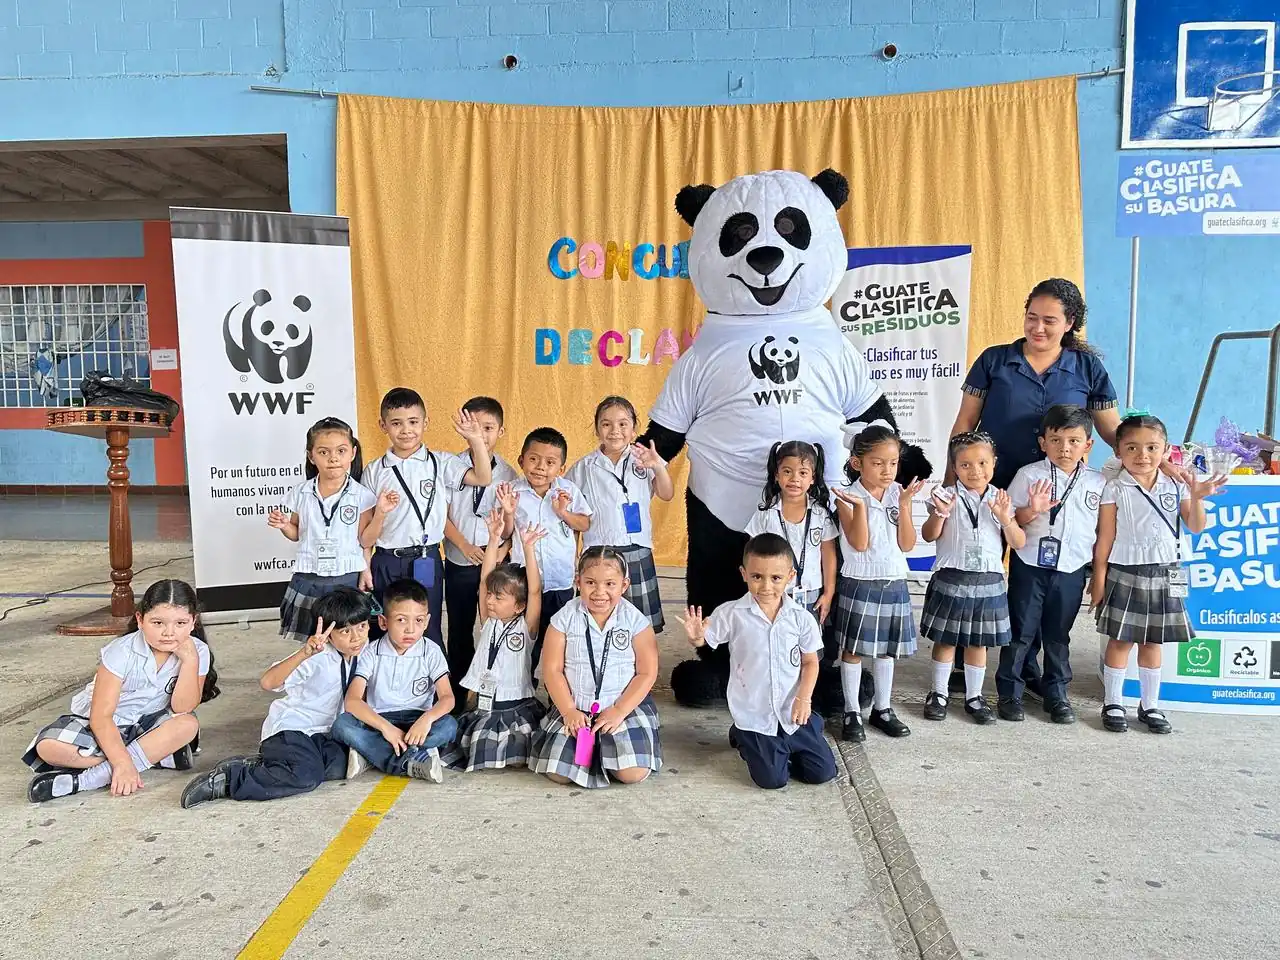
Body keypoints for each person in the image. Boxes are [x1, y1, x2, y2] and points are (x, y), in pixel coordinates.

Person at [947, 278, 1119, 697]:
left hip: (1055, 493)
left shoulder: (1087, 368)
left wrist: (1152, 459)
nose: (1037, 328)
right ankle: (957, 657)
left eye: (1049, 321)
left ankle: (1024, 665)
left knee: (1036, 576)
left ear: (1069, 323)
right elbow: (965, 422)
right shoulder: (994, 360)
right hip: (993, 482)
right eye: (1031, 318)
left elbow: (1111, 430)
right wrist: (952, 481)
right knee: (974, 568)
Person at [1092, 413, 1226, 735]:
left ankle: (1149, 704)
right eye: (1133, 448)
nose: (1143, 456)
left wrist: (1196, 497)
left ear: (1165, 449)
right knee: (1120, 640)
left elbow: (1194, 526)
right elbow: (1106, 536)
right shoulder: (1114, 487)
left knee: (1154, 642)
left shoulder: (1177, 485)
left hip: (1167, 572)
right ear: (1119, 450)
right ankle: (1113, 702)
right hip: (1126, 571)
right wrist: (1099, 576)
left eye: (1152, 447)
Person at [25, 579, 216, 803]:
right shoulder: (121, 652)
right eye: (158, 623)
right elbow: (101, 717)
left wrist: (190, 661)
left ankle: (86, 781)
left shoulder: (198, 651)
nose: (169, 633)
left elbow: (183, 707)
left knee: (188, 724)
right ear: (140, 619)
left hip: (149, 724)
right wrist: (122, 762)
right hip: (102, 724)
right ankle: (152, 757)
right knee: (47, 747)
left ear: (193, 622)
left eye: (181, 623)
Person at [180, 588, 371, 808]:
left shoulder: (364, 651)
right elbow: (268, 682)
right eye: (345, 631)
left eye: (362, 627)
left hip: (324, 735)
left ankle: (267, 764)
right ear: (328, 633)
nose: (356, 637)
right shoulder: (316, 656)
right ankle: (230, 779)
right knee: (307, 777)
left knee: (342, 767)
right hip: (292, 730)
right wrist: (304, 654)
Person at [678, 533, 837, 790]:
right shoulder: (731, 613)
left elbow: (810, 662)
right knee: (773, 780)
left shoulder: (801, 618)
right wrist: (696, 638)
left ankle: (799, 734)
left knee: (822, 773)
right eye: (756, 577)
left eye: (776, 578)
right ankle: (743, 735)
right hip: (754, 712)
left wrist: (804, 698)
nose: (765, 587)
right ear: (743, 573)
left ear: (790, 576)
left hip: (792, 710)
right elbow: (705, 638)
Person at [997, 405, 1106, 723]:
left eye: (1074, 441)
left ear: (1088, 445)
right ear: (1043, 442)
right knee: (1021, 632)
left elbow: (1101, 530)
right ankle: (1010, 692)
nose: (1065, 448)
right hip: (1030, 564)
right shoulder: (1029, 475)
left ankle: (1056, 694)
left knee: (1058, 635)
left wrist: (1098, 573)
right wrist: (1032, 509)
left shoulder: (1097, 483)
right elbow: (1012, 519)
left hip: (1071, 569)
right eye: (1056, 440)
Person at [361, 388, 494, 649]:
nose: (406, 430)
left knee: (427, 628)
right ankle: (383, 688)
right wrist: (365, 568)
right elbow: (365, 535)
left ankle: (433, 690)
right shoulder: (375, 471)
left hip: (427, 558)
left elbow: (483, 478)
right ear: (383, 425)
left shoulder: (440, 463)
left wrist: (477, 440)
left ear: (425, 423)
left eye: (413, 422)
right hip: (386, 560)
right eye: (396, 423)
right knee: (383, 627)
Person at [529, 547, 661, 788]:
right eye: (590, 582)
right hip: (575, 709)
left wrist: (620, 710)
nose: (600, 592)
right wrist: (569, 711)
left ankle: (610, 750)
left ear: (624, 585)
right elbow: (552, 670)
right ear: (577, 582)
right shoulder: (563, 619)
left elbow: (647, 672)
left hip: (622, 708)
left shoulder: (636, 621)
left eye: (610, 584)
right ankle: (593, 749)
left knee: (630, 773)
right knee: (561, 775)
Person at [919, 433, 1023, 724]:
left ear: (994, 463)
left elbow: (1018, 541)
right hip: (952, 577)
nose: (975, 470)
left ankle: (974, 697)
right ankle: (938, 693)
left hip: (988, 582)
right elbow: (929, 535)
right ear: (953, 467)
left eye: (982, 463)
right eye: (965, 465)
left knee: (979, 644)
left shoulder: (1000, 499)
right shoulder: (944, 495)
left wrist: (1005, 518)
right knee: (946, 640)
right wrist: (940, 514)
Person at [831, 426, 924, 742]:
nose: (887, 471)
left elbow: (908, 544)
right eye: (878, 463)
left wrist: (908, 507)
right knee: (854, 650)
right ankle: (852, 711)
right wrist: (859, 509)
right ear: (857, 463)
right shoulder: (847, 496)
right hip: (861, 581)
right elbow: (858, 543)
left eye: (893, 463)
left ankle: (882, 709)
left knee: (886, 652)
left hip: (894, 579)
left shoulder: (900, 494)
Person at [444, 512, 548, 772]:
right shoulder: (488, 621)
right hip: (484, 706)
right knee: (468, 743)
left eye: (499, 598)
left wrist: (528, 548)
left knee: (519, 749)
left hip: (516, 706)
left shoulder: (526, 627)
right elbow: (483, 581)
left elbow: (534, 590)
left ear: (519, 606)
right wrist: (492, 539)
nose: (490, 601)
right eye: (490, 596)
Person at [566, 396, 675, 633]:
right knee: (598, 619)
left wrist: (657, 466)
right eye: (606, 424)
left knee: (640, 625)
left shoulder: (645, 459)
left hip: (637, 548)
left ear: (634, 428)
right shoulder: (583, 468)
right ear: (596, 429)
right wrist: (573, 557)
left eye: (623, 424)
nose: (615, 431)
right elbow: (573, 519)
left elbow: (667, 494)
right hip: (598, 552)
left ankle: (644, 668)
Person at [331, 579, 457, 782]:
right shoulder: (371, 652)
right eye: (401, 620)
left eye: (418, 621)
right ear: (383, 622)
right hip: (380, 721)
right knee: (342, 725)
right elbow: (352, 701)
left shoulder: (431, 651)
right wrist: (386, 728)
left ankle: (373, 755)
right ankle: (415, 757)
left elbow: (447, 698)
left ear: (426, 622)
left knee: (449, 726)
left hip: (417, 720)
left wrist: (426, 720)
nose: (410, 629)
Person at [270, 417, 378, 644]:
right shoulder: (300, 493)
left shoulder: (362, 496)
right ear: (311, 456)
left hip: (345, 577)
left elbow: (365, 540)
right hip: (309, 576)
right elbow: (297, 533)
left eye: (341, 450)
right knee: (313, 641)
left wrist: (365, 570)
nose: (333, 458)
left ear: (353, 453)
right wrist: (284, 525)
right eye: (324, 452)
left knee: (346, 639)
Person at [497, 427, 593, 670]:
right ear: (521, 460)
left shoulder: (567, 490)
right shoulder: (513, 491)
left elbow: (585, 522)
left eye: (550, 462)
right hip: (526, 582)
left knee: (559, 641)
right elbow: (507, 534)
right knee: (525, 640)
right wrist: (508, 512)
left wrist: (563, 512)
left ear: (561, 468)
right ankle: (523, 691)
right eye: (533, 459)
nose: (540, 467)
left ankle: (556, 697)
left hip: (560, 582)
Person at [442, 395, 518, 695]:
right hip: (460, 561)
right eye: (474, 427)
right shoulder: (450, 466)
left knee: (497, 626)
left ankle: (497, 692)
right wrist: (463, 545)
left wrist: (501, 548)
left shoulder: (509, 473)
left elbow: (511, 522)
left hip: (495, 564)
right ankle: (459, 696)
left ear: (500, 431)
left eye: (488, 428)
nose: (481, 435)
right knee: (460, 630)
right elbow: (442, 515)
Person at [744, 440, 839, 622]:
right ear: (776, 476)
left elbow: (828, 555)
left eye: (803, 473)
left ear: (812, 478)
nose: (795, 479)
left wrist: (828, 593)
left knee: (809, 646)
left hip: (812, 594)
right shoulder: (766, 514)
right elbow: (752, 555)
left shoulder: (820, 514)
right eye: (787, 471)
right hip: (771, 593)